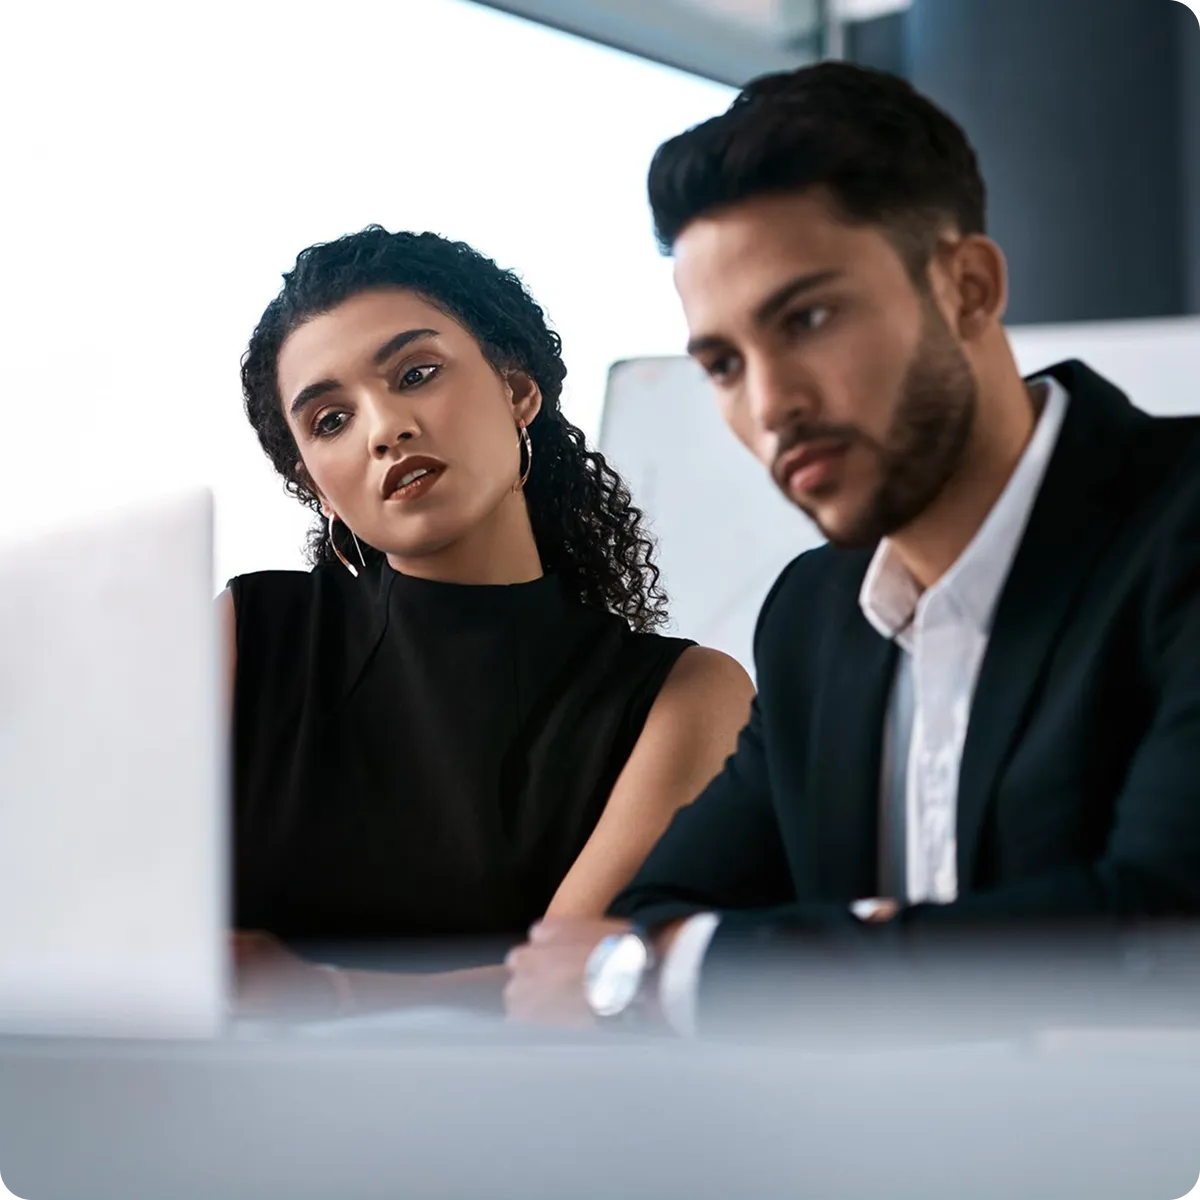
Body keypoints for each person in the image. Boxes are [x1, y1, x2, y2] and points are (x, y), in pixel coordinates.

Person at [505, 62, 1200, 1033]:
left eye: (810, 318)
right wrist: (875, 948)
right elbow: (644, 921)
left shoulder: (1180, 524)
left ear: (968, 287)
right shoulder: (813, 619)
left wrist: (712, 970)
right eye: (723, 363)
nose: (769, 403)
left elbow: (1159, 933)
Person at [221, 226, 754, 1018]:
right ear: (314, 484)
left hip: (522, 1125)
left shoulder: (678, 696)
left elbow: (565, 990)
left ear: (517, 392)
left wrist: (313, 993)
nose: (384, 428)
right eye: (330, 420)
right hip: (221, 1122)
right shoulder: (251, 633)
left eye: (417, 373)